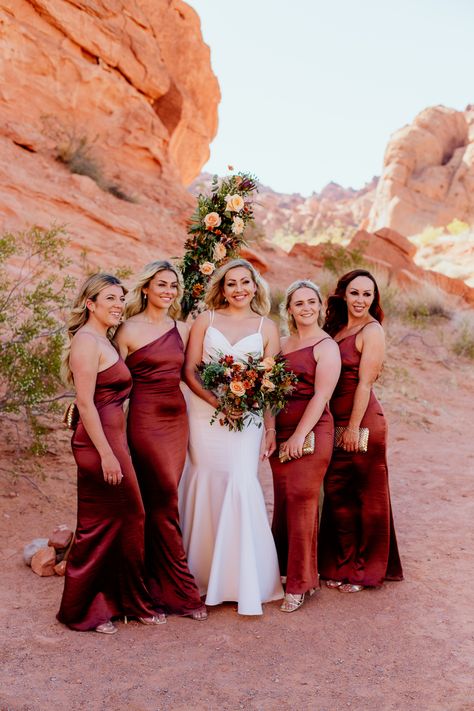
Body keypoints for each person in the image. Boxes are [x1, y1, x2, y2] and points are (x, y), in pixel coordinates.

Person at [57, 273, 163, 634]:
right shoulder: (86, 342)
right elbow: (85, 404)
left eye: (121, 298)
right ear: (90, 304)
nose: (118, 305)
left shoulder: (102, 339)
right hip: (97, 442)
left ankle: (114, 602)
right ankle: (87, 609)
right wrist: (106, 454)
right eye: (110, 299)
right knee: (118, 519)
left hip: (111, 439)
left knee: (114, 521)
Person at [179, 258, 284, 615]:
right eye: (231, 283)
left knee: (241, 480)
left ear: (256, 286)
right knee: (205, 480)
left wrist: (269, 428)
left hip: (248, 420)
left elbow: (270, 386)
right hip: (205, 415)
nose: (239, 289)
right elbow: (190, 370)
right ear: (221, 289)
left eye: (245, 282)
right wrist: (217, 401)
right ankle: (200, 576)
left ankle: (242, 582)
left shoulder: (267, 327)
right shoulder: (205, 321)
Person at [116, 260, 207, 621]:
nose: (168, 291)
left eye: (173, 286)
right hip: (144, 421)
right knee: (166, 498)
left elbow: (194, 374)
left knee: (162, 503)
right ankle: (181, 592)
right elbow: (114, 383)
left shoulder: (183, 330)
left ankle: (158, 585)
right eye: (162, 285)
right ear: (145, 289)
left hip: (176, 421)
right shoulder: (126, 330)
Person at [318, 269, 403, 592]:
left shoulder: (372, 331)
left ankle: (365, 570)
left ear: (374, 298)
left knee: (366, 497)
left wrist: (353, 427)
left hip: (362, 421)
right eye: (355, 293)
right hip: (334, 421)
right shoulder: (336, 328)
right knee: (338, 495)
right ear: (343, 294)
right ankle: (341, 563)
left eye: (367, 294)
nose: (360, 300)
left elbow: (366, 382)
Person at [270, 280, 341, 612]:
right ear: (289, 310)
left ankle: (298, 584)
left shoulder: (326, 346)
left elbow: (321, 396)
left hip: (313, 430)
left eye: (311, 302)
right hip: (280, 429)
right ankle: (289, 572)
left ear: (320, 306)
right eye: (298, 303)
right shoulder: (280, 345)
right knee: (284, 501)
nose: (306, 308)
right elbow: (268, 393)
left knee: (301, 498)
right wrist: (271, 430)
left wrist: (299, 436)